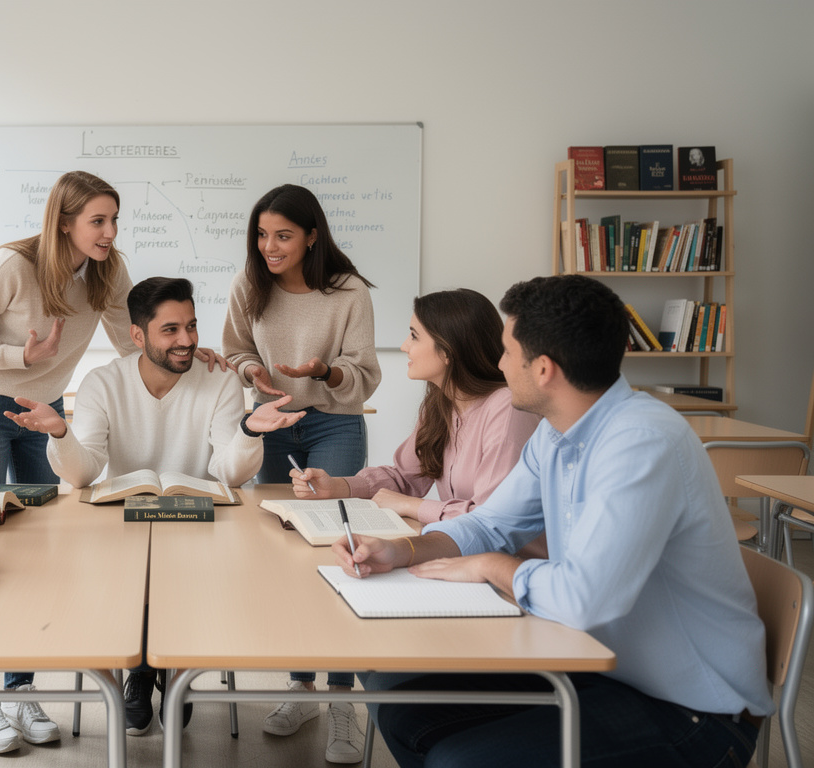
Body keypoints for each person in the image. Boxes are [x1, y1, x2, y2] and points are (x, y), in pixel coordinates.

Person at [333, 275, 772, 768]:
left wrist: (492, 568)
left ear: (542, 369)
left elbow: (583, 599)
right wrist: (405, 551)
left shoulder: (642, 443)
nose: (497, 364)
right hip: (593, 663)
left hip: (693, 708)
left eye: (505, 352)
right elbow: (490, 525)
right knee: (400, 709)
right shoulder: (556, 436)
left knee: (459, 760)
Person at [0, 171, 225, 753]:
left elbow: (134, 340)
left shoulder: (108, 270)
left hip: (42, 411)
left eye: (114, 219)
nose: (109, 231)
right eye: (98, 220)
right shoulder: (12, 266)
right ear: (63, 221)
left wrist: (186, 357)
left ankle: (20, 689)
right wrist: (20, 352)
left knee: (40, 549)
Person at [11, 276, 303, 735]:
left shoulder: (219, 380)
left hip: (200, 525)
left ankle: (175, 670)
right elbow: (85, 473)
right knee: (117, 574)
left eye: (191, 326)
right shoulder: (102, 383)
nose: (186, 340)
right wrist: (60, 434)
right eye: (170, 330)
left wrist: (249, 432)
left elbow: (230, 473)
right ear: (138, 335)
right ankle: (142, 672)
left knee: (188, 571)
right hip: (123, 524)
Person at [278, 288, 541, 763]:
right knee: (368, 645)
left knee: (381, 655)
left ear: (449, 348)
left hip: (505, 581)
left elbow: (491, 518)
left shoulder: (506, 409)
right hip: (464, 564)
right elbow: (404, 475)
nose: (403, 345)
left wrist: (414, 509)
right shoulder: (441, 403)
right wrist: (339, 484)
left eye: (414, 335)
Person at [222, 183, 381, 760]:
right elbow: (234, 349)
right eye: (262, 235)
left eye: (283, 236)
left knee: (336, 546)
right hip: (271, 421)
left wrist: (326, 373)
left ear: (312, 236)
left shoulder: (349, 293)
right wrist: (253, 374)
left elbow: (365, 373)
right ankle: (301, 685)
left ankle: (342, 697)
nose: (269, 246)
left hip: (333, 424)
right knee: (283, 548)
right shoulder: (250, 284)